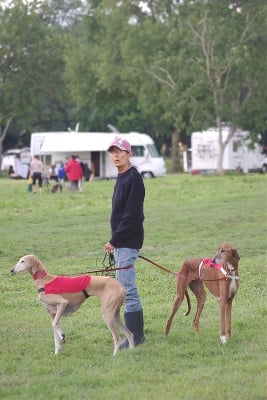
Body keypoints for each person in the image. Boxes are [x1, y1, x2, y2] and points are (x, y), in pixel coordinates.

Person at [104, 137, 145, 348]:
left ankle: (135, 337)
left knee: (127, 288)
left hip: (128, 240)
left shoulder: (133, 178)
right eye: (112, 152)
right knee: (123, 286)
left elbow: (132, 215)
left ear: (129, 154)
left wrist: (115, 239)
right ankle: (134, 335)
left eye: (119, 151)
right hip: (122, 241)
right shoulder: (121, 177)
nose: (115, 155)